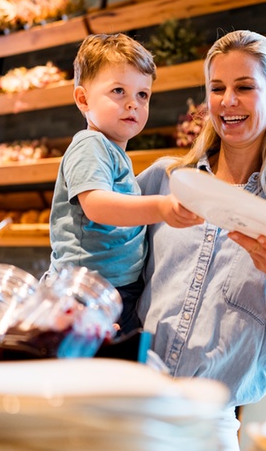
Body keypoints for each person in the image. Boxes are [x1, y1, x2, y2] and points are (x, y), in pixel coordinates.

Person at [136, 30, 266, 449]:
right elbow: (111, 260)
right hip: (129, 406)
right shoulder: (165, 178)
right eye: (217, 88)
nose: (228, 101)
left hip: (209, 427)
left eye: (244, 87)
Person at [48, 33, 202, 332]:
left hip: (113, 287)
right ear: (83, 99)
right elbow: (97, 206)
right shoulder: (90, 144)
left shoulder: (113, 152)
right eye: (119, 91)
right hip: (86, 291)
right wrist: (161, 207)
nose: (133, 103)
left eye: (143, 95)